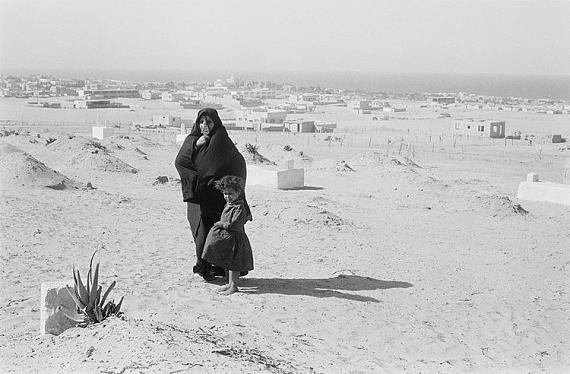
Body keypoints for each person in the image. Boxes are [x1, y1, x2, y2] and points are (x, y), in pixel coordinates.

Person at [174, 108, 252, 281]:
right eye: (201, 122)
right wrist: (196, 146)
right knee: (202, 234)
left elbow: (238, 164)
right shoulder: (193, 140)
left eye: (208, 122)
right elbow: (180, 162)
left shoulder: (223, 142)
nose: (204, 126)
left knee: (223, 234)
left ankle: (224, 270)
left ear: (215, 123)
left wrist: (229, 188)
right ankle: (204, 267)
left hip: (220, 200)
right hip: (199, 198)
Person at [202, 175, 254, 295]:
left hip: (236, 239)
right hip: (230, 239)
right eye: (225, 194)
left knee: (234, 264)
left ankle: (234, 286)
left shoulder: (239, 207)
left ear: (238, 192)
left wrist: (222, 224)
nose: (227, 197)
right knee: (230, 263)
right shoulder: (230, 204)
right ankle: (230, 284)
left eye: (230, 194)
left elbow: (235, 224)